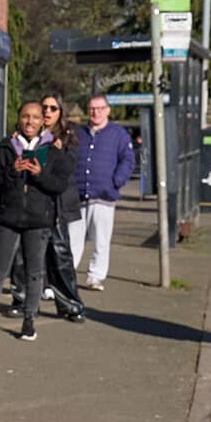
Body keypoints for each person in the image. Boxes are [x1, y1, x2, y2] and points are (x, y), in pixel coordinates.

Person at [0, 101, 73, 342]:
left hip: (38, 220)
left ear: (43, 121)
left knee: (35, 272)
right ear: (18, 118)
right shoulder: (6, 148)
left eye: (36, 117)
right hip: (8, 218)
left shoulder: (52, 151)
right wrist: (12, 171)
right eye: (25, 117)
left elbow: (60, 185)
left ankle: (29, 320)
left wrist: (40, 175)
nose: (30, 121)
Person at [10, 95, 86, 321]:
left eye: (53, 108)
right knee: (23, 254)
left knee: (60, 255)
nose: (48, 112)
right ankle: (20, 299)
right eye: (44, 108)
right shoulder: (25, 136)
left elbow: (67, 168)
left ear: (60, 112)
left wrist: (57, 152)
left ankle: (70, 304)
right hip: (30, 203)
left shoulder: (67, 138)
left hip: (56, 204)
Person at [69, 94, 136, 292]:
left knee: (101, 240)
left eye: (100, 108)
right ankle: (68, 274)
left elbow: (128, 160)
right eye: (92, 109)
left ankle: (95, 276)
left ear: (107, 110)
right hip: (78, 195)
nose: (95, 112)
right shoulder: (79, 133)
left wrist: (116, 181)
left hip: (104, 196)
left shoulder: (118, 134)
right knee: (73, 238)